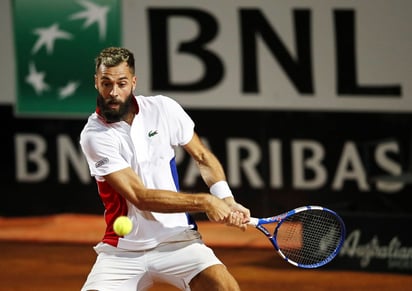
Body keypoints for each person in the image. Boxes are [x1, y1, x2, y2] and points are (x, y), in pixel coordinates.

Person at [79, 46, 251, 291]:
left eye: (122, 83)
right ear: (96, 82)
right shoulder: (94, 135)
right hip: (123, 251)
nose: (113, 92)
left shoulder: (163, 109)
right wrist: (206, 202)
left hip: (179, 240)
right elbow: (140, 197)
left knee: (225, 288)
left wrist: (226, 198)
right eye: (106, 83)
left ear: (134, 82)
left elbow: (202, 156)